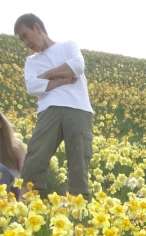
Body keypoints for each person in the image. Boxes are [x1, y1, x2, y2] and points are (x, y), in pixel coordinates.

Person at [14, 13, 93, 197]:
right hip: (49, 111)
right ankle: (24, 212)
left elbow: (78, 66)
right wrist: (63, 78)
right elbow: (32, 86)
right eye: (22, 40)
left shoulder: (67, 46)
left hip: (79, 109)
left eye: (25, 36)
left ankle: (75, 217)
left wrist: (46, 75)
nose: (26, 43)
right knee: (35, 158)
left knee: (78, 163)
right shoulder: (31, 62)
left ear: (37, 28)